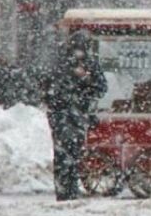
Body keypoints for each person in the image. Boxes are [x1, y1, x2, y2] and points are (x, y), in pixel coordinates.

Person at [42, 30, 107, 201]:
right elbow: (49, 87)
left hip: (76, 115)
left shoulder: (89, 64)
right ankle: (65, 189)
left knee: (72, 152)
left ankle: (68, 187)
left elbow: (100, 87)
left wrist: (86, 79)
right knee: (64, 153)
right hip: (64, 115)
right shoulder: (62, 64)